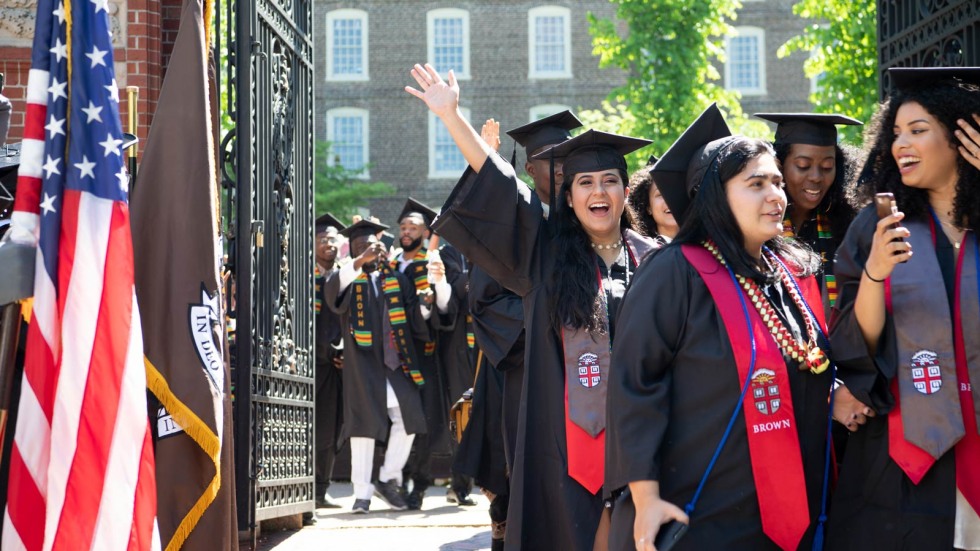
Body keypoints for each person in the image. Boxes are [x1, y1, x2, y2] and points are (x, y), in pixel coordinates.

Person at [406, 62, 656, 550]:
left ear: (627, 191)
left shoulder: (657, 263)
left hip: (641, 439)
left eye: (609, 180)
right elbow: (502, 188)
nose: (597, 191)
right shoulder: (543, 254)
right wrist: (452, 118)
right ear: (568, 195)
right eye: (584, 183)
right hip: (561, 441)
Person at [606, 104, 834, 551]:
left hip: (782, 506)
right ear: (714, 195)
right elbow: (635, 386)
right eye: (756, 184)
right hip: (698, 509)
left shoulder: (783, 272)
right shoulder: (675, 271)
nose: (776, 196)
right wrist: (645, 497)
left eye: (777, 182)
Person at [826, 66, 980, 550]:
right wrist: (873, 274)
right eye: (895, 133)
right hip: (903, 454)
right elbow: (856, 341)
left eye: (918, 131)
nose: (900, 145)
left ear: (961, 139)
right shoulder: (882, 222)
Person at [324, 219, 431, 513]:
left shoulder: (396, 279)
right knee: (362, 427)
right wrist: (359, 261)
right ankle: (362, 493)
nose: (370, 251)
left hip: (396, 364)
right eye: (361, 247)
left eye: (373, 245)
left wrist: (427, 303)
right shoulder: (347, 276)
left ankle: (387, 478)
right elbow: (333, 296)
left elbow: (414, 317)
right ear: (355, 252)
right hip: (362, 365)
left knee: (409, 418)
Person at [753, 112, 862, 311]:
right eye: (803, 166)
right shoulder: (757, 226)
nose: (816, 177)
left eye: (827, 166)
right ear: (779, 165)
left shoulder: (846, 226)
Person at [390, 197, 454, 509]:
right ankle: (394, 480)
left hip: (423, 353)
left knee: (424, 421)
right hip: (391, 356)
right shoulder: (389, 265)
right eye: (403, 226)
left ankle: (419, 483)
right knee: (395, 421)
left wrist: (429, 302)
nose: (406, 231)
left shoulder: (430, 263)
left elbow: (444, 307)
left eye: (413, 227)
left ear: (424, 232)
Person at [312, 213, 346, 511]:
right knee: (312, 427)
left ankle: (322, 490)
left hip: (339, 365)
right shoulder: (303, 276)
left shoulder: (345, 276)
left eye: (332, 239)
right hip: (309, 364)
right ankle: (307, 489)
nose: (328, 244)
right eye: (322, 239)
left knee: (334, 427)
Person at [627, 156, 679, 246]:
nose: (670, 199)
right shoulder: (641, 252)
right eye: (660, 194)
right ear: (648, 207)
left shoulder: (707, 246)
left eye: (676, 191)